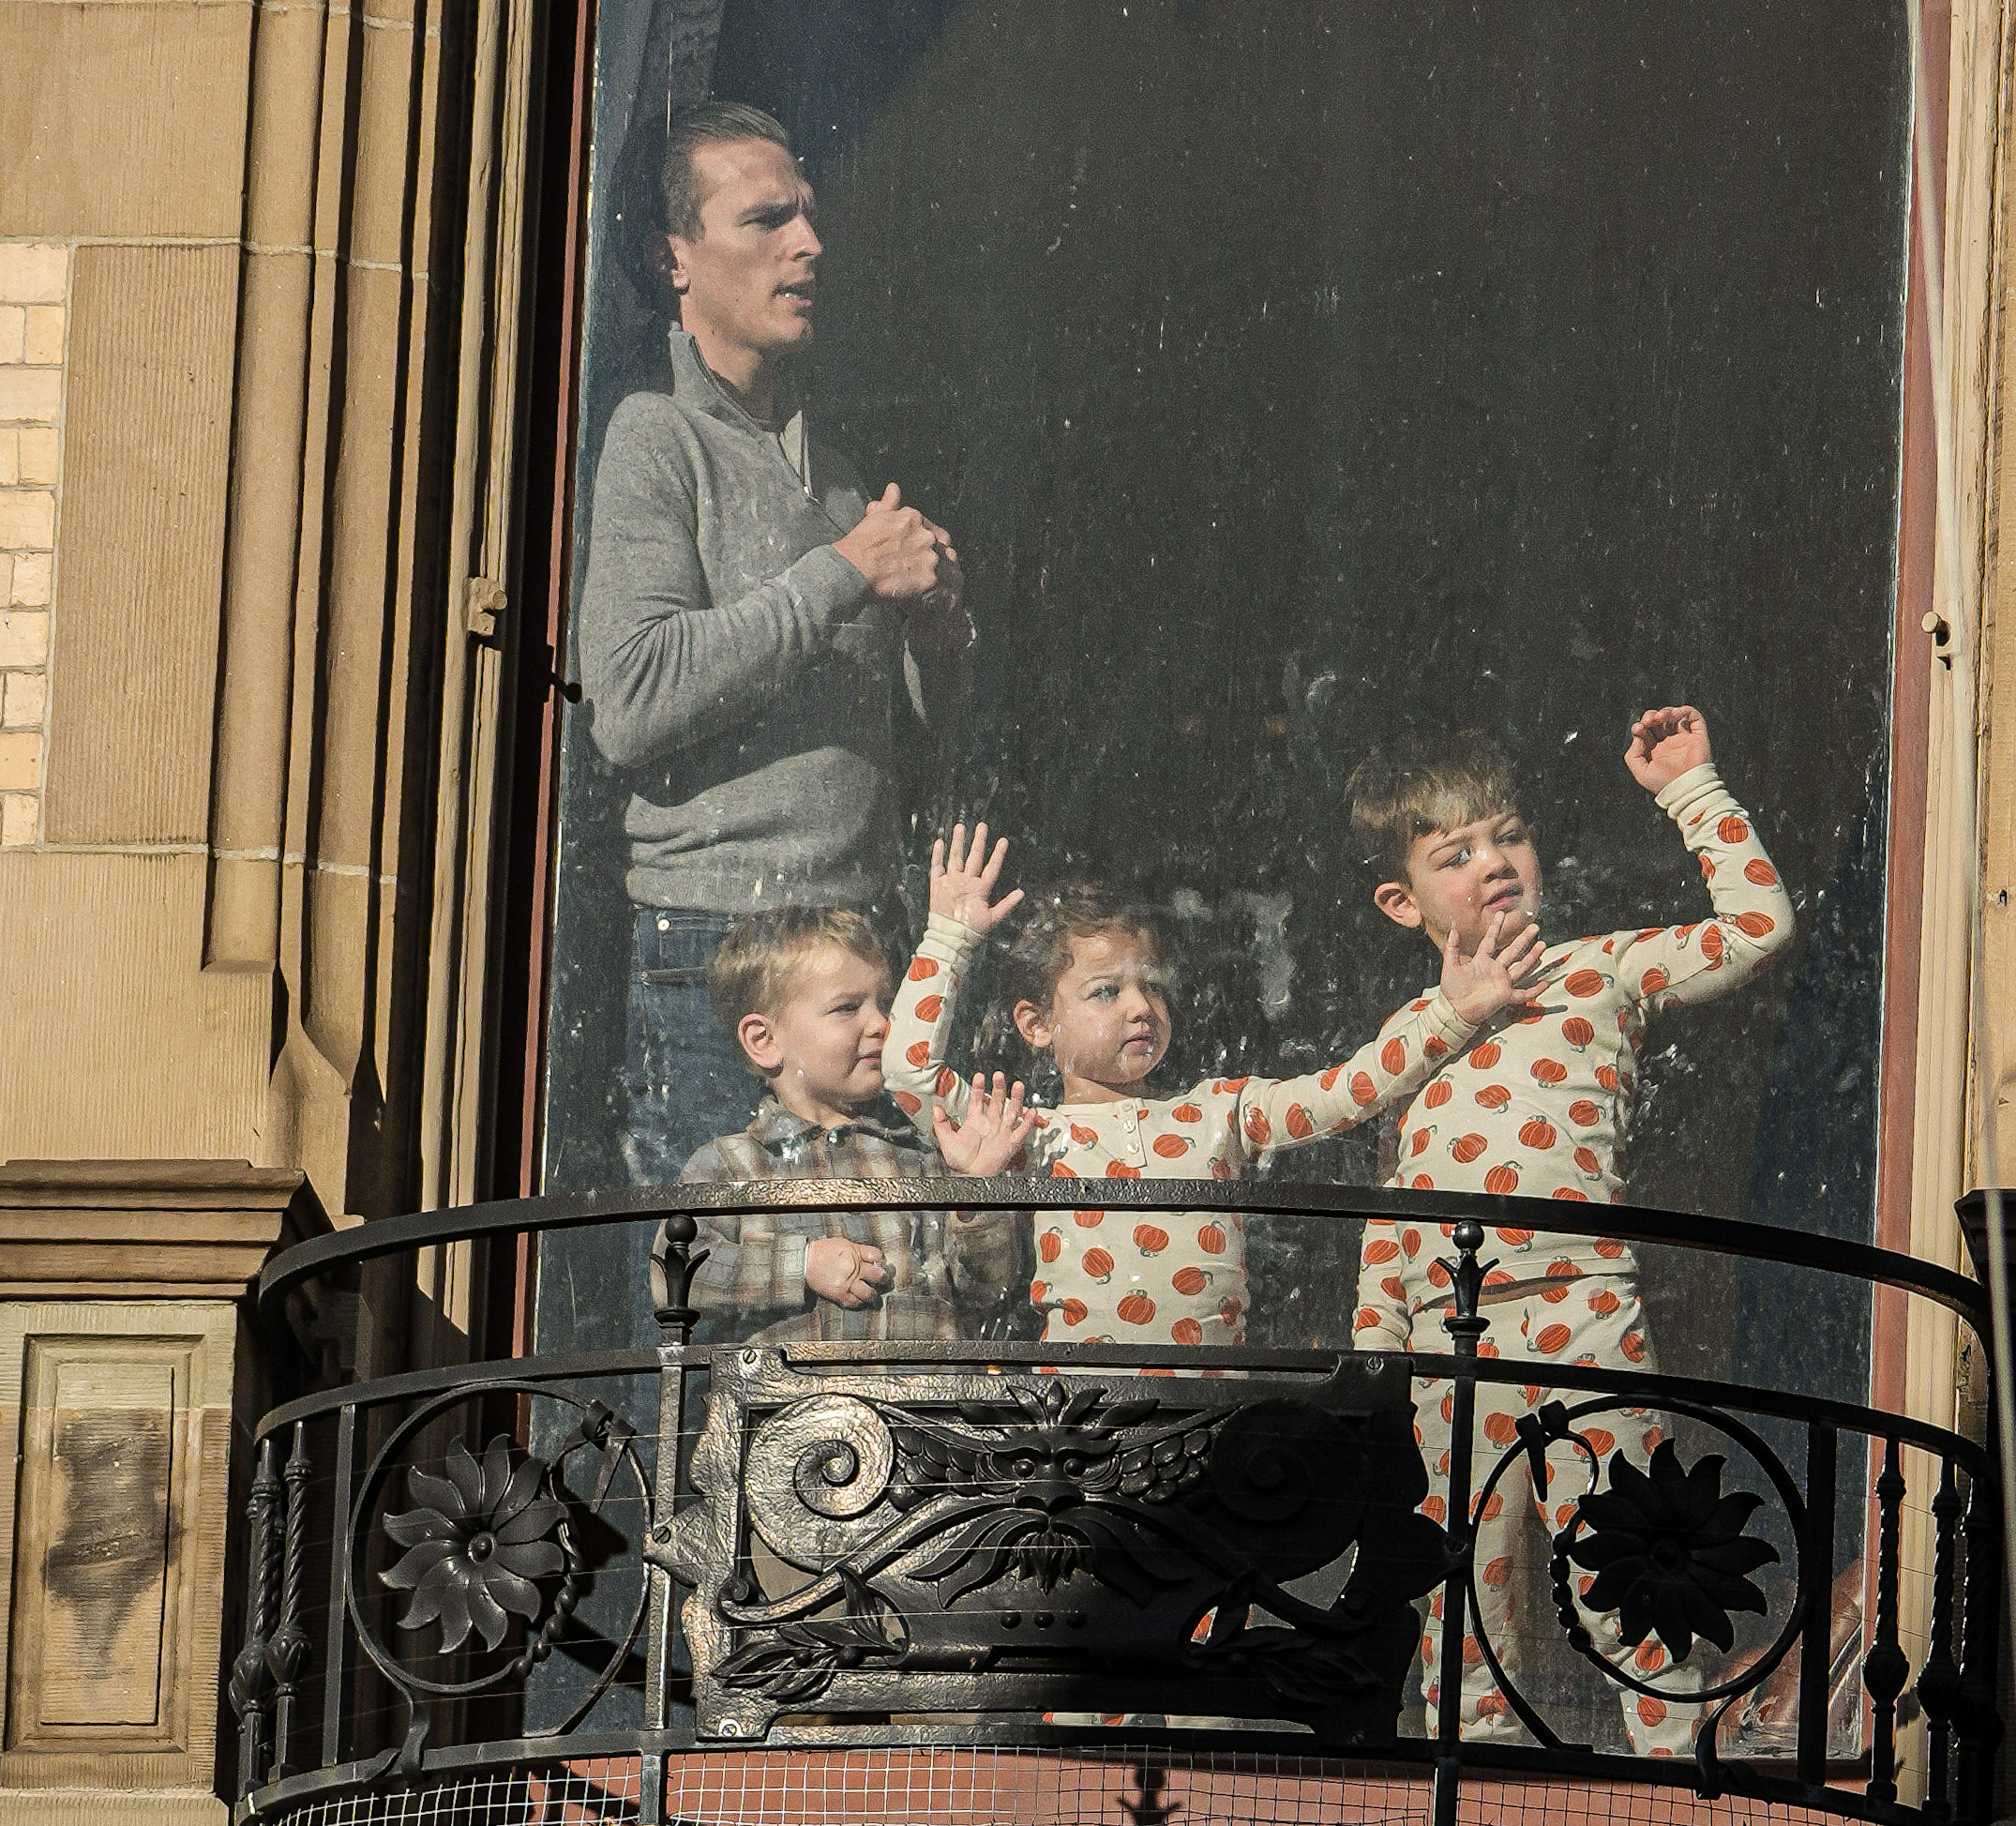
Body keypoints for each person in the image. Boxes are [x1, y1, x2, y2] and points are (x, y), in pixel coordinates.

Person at [1346, 703, 1796, 1747]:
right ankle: (1473, 1783)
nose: (1493, 861)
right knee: (1460, 1583)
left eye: (1507, 834)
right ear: (1401, 900)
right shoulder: (1410, 1033)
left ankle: (1672, 1775)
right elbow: (1388, 1201)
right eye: (1454, 853)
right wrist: (1373, 1366)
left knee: (1630, 1559)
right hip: (1445, 1344)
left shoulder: (1599, 969)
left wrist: (1691, 787)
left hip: (1579, 1306)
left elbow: (1756, 928)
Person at [573, 100, 970, 1185]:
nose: (809, 243)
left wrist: (935, 634)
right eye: (765, 219)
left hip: (855, 936)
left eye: (808, 215)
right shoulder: (651, 436)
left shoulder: (832, 467)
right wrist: (844, 571)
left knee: (854, 1297)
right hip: (717, 948)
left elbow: (903, 736)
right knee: (721, 1303)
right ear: (674, 259)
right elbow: (633, 698)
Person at [889, 821, 1540, 1353]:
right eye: (1106, 991)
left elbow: (1350, 1090)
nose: (1140, 1007)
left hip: (1216, 1407)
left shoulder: (1220, 1111)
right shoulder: (1025, 1132)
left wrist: (1453, 1013)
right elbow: (909, 1072)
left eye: (1151, 985)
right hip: (1085, 1411)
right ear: (1036, 1024)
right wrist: (949, 938)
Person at [668, 901, 1036, 1337]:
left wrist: (976, 1192)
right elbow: (674, 1275)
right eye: (846, 1008)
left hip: (930, 1401)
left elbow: (988, 1290)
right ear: (764, 1040)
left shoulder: (928, 1152)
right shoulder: (730, 1165)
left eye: (884, 1003)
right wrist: (800, 1265)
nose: (882, 1023)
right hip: (796, 1403)